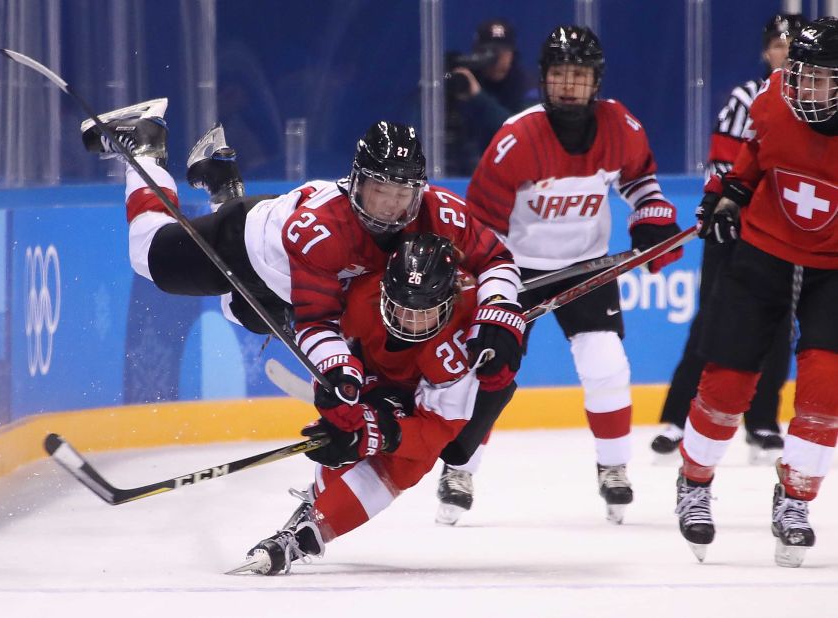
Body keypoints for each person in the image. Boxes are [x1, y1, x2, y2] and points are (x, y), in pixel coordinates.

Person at [81, 105, 524, 439]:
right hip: (250, 245)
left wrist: (498, 309)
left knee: (244, 315)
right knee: (147, 255)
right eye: (379, 191)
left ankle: (221, 181)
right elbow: (318, 321)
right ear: (357, 183)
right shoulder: (323, 234)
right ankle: (145, 143)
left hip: (303, 276)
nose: (391, 206)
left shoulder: (442, 212)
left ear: (420, 188)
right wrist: (338, 369)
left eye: (402, 192)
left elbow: (497, 260)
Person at [444, 24, 684, 526]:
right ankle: (459, 468)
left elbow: (641, 180)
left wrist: (652, 219)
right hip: (514, 270)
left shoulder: (622, 127)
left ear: (596, 82)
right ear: (544, 79)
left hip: (584, 269)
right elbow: (479, 227)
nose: (570, 85)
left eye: (580, 75)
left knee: (607, 364)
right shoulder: (517, 140)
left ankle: (614, 466)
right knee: (488, 369)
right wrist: (489, 287)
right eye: (560, 75)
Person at [229, 233, 519, 575]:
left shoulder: (453, 350)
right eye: (400, 307)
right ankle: (318, 500)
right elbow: (328, 345)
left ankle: (311, 532)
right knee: (346, 423)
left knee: (417, 460)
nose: (408, 321)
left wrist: (382, 433)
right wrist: (350, 399)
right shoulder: (364, 295)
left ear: (448, 301)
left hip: (439, 398)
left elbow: (435, 430)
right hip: (377, 371)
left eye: (423, 312)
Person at [674, 17, 838, 568]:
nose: (800, 87)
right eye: (799, 73)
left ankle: (796, 498)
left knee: (825, 387)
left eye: (818, 78)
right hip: (765, 249)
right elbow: (750, 161)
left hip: (832, 268)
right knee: (726, 381)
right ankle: (694, 480)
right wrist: (725, 200)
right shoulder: (772, 99)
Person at [651, 13, 809, 463]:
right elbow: (724, 165)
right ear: (766, 51)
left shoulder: (819, 105)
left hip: (784, 238)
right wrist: (728, 210)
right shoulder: (747, 99)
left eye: (794, 44)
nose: (786, 51)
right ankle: (676, 417)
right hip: (735, 230)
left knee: (780, 327)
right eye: (780, 43)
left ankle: (762, 422)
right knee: (712, 322)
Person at [445, 18, 531, 176]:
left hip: (510, 169)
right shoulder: (463, 81)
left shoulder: (522, 84)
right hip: (464, 169)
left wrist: (477, 96)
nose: (498, 60)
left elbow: (517, 132)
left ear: (513, 54)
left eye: (504, 52)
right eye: (490, 52)